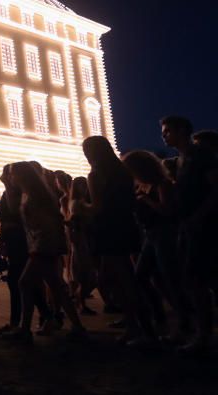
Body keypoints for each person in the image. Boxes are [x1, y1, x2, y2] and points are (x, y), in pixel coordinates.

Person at [3, 162, 86, 345]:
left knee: (25, 283)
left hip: (43, 245)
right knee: (56, 286)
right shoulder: (28, 193)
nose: (11, 178)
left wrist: (44, 245)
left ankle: (25, 329)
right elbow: (12, 210)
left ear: (23, 176)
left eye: (13, 175)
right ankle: (77, 326)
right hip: (38, 244)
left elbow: (49, 222)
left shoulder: (37, 195)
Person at [84, 135, 155, 346]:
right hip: (125, 226)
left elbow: (96, 207)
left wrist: (79, 207)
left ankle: (142, 329)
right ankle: (136, 323)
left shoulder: (96, 175)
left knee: (123, 280)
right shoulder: (122, 172)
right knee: (115, 277)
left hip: (108, 229)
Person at [161, 116, 218, 357]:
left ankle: (204, 334)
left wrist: (200, 216)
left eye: (167, 131)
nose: (164, 136)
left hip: (205, 226)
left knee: (203, 280)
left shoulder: (201, 154)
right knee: (195, 280)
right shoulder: (182, 160)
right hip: (188, 226)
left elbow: (215, 188)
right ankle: (202, 332)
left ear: (182, 130)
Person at [124, 149, 190, 340]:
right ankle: (161, 313)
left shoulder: (162, 184)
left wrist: (145, 200)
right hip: (150, 235)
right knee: (143, 276)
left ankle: (184, 321)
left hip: (165, 234)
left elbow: (168, 211)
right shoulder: (142, 185)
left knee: (170, 278)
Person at [64, 177, 97, 316]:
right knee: (85, 274)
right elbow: (73, 221)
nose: (84, 188)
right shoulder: (77, 203)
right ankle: (79, 302)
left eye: (85, 185)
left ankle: (79, 301)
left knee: (86, 274)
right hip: (82, 241)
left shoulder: (79, 202)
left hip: (84, 240)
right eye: (81, 185)